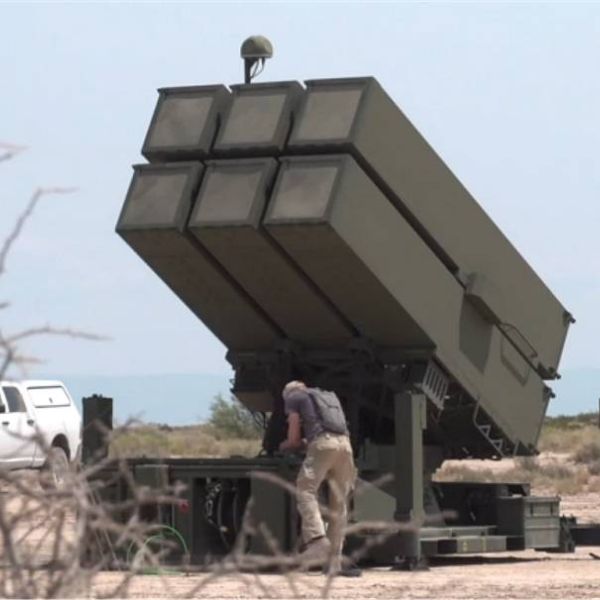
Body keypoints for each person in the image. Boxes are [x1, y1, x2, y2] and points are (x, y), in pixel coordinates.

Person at [279, 380, 357, 574]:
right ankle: (334, 563)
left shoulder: (294, 397)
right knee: (339, 503)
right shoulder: (327, 397)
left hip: (323, 445)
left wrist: (284, 445)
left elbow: (294, 439)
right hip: (345, 447)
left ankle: (317, 540)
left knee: (305, 490)